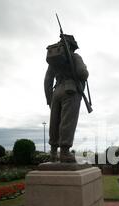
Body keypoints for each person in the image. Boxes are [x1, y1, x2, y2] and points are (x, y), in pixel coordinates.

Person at [44, 35, 89, 163]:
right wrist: (85, 69)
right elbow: (82, 73)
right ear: (73, 47)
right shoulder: (75, 57)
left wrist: (49, 99)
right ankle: (64, 152)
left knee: (54, 122)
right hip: (70, 91)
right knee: (67, 121)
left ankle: (53, 152)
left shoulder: (54, 61)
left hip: (56, 92)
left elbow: (47, 80)